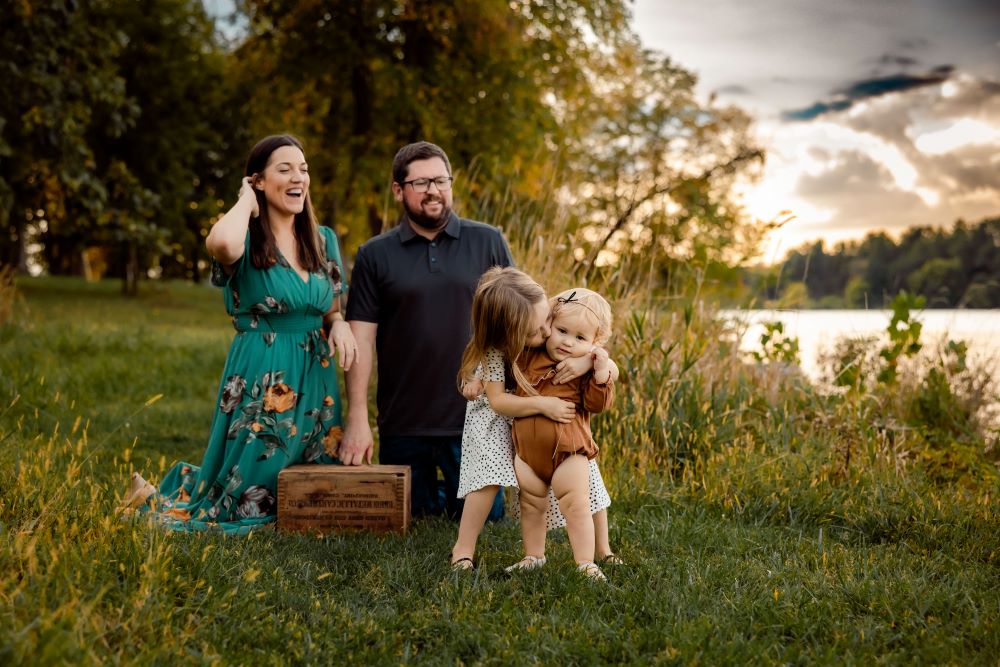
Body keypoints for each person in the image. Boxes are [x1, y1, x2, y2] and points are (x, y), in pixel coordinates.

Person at [121, 134, 357, 533]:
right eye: (284, 169)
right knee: (250, 494)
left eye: (303, 169)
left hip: (315, 372)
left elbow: (331, 307)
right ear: (258, 181)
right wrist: (246, 201)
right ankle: (162, 496)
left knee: (310, 484)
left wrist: (339, 324)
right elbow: (222, 242)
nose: (298, 176)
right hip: (265, 369)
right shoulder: (245, 238)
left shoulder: (323, 239)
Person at [339, 141, 516, 518]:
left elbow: (518, 320)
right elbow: (361, 339)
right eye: (420, 183)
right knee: (407, 521)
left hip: (476, 419)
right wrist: (357, 417)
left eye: (440, 180)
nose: (433, 190)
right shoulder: (374, 253)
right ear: (398, 190)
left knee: (486, 521)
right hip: (403, 424)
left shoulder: (488, 241)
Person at [450, 268, 619, 574]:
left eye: (546, 324)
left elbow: (597, 353)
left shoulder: (545, 322)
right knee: (495, 482)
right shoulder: (503, 348)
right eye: (536, 332)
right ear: (512, 335)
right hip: (499, 415)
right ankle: (467, 549)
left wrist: (591, 361)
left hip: (553, 428)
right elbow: (499, 400)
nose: (545, 335)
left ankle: (599, 552)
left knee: (585, 482)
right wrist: (541, 403)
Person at [499, 287, 618, 580]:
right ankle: (534, 555)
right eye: (562, 330)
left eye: (580, 338)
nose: (567, 342)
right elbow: (501, 359)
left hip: (569, 451)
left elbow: (597, 403)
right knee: (531, 504)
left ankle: (585, 562)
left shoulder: (586, 369)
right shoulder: (528, 355)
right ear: (548, 324)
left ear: (594, 343)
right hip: (527, 454)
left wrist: (599, 369)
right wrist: (477, 379)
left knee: (576, 505)